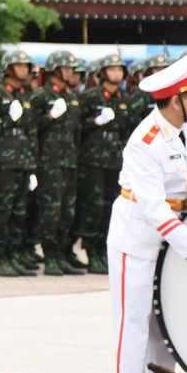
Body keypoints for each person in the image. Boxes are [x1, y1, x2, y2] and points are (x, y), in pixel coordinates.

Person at [107, 52, 187, 373]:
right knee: (134, 318)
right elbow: (154, 209)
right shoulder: (145, 141)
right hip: (137, 236)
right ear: (177, 100)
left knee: (162, 319)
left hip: (173, 233)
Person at [0, 50, 40, 277]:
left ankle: (14, 253)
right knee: (1, 212)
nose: (24, 70)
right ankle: (1, 256)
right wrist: (7, 119)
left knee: (19, 212)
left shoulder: (24, 94)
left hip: (22, 163)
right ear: (8, 69)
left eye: (26, 66)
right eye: (19, 65)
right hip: (3, 162)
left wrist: (32, 164)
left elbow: (31, 129)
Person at [30, 51, 84, 275]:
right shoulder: (41, 96)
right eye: (66, 68)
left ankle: (62, 253)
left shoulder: (72, 96)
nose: (70, 72)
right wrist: (50, 117)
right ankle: (50, 255)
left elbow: (76, 132)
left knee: (66, 212)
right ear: (55, 70)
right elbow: (31, 128)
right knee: (50, 212)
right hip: (49, 162)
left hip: (68, 161)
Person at [75, 55, 129, 275]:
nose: (116, 74)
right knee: (93, 207)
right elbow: (77, 129)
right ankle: (92, 251)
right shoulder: (90, 97)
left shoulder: (124, 99)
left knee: (110, 207)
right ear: (102, 73)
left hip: (114, 161)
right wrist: (95, 122)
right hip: (93, 161)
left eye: (119, 70)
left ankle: (104, 251)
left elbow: (126, 130)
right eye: (111, 69)